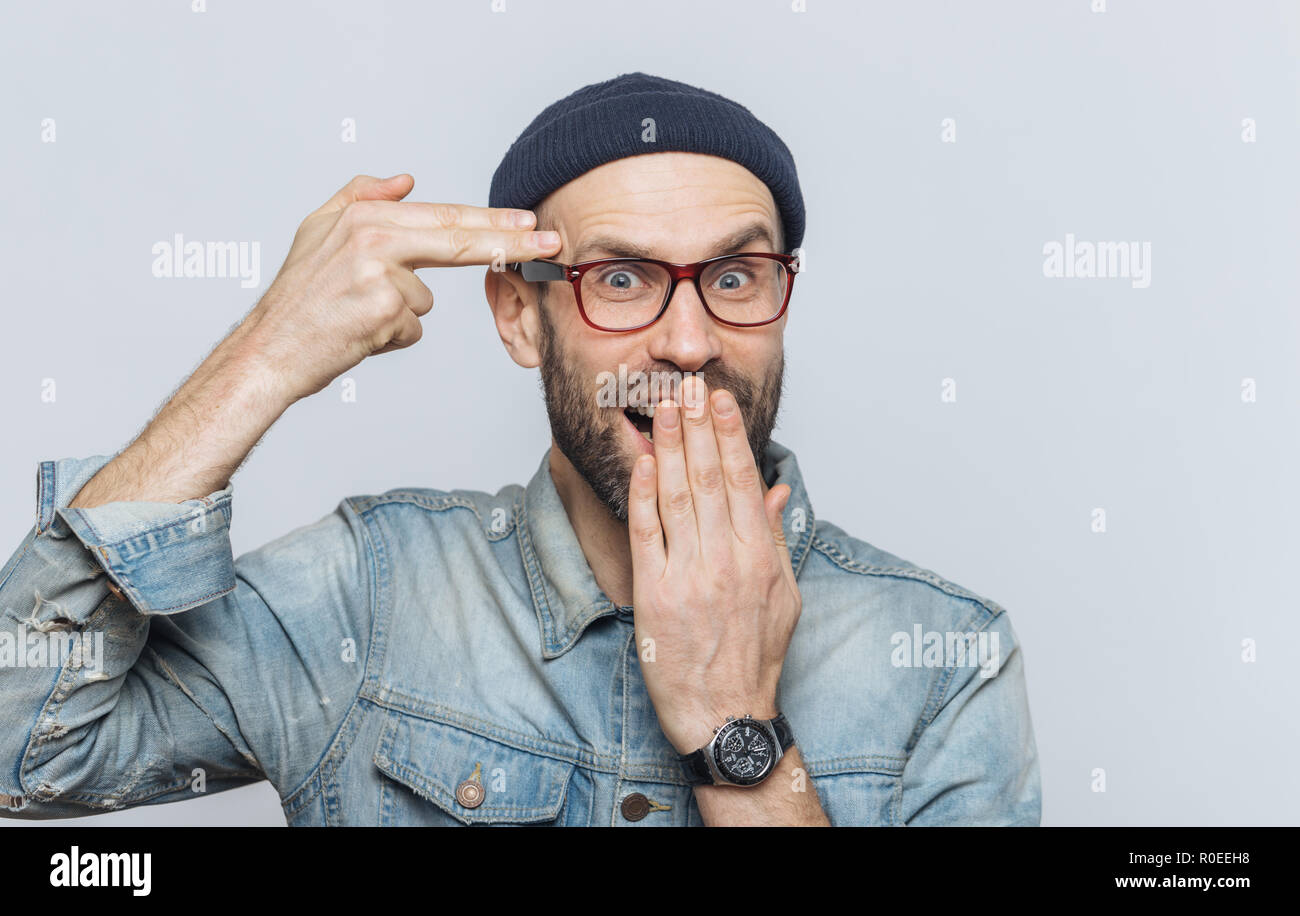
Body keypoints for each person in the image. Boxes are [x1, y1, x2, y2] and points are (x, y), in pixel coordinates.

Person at [0, 72, 1040, 825]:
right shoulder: (371, 592)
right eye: (620, 279)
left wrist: (741, 736)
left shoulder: (947, 659)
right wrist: (261, 359)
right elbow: (20, 754)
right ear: (518, 316)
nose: (688, 341)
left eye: (734, 276)